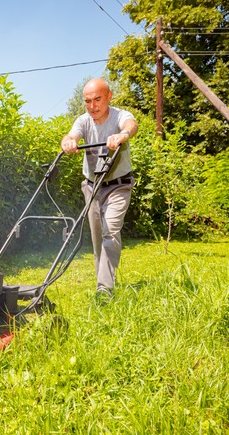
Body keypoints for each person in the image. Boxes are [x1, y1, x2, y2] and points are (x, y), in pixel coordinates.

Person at [61, 78, 138, 302]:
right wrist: (69, 142)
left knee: (110, 231)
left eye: (97, 99)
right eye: (87, 101)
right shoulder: (83, 120)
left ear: (109, 97)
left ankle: (104, 290)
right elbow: (72, 134)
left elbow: (132, 124)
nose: (92, 106)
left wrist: (122, 135)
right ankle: (103, 283)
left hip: (119, 185)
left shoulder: (119, 115)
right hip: (92, 187)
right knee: (97, 240)